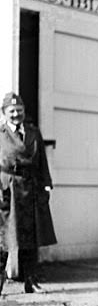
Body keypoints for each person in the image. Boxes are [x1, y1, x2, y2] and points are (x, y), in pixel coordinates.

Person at [0, 92, 56, 295]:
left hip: (31, 189)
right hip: (8, 190)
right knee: (4, 238)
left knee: (31, 238)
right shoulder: (1, 133)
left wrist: (46, 184)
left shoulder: (33, 132)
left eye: (19, 111)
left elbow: (42, 162)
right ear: (4, 113)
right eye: (12, 111)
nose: (16, 115)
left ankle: (30, 282)